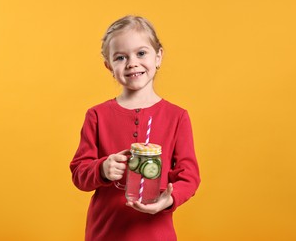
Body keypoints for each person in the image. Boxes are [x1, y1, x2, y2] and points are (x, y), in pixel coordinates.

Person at [70, 15, 200, 241]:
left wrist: (169, 199)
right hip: (106, 232)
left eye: (141, 53)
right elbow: (79, 172)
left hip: (156, 234)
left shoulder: (177, 117)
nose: (132, 63)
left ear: (158, 57)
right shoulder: (96, 116)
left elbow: (189, 176)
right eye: (120, 57)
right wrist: (102, 168)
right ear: (109, 66)